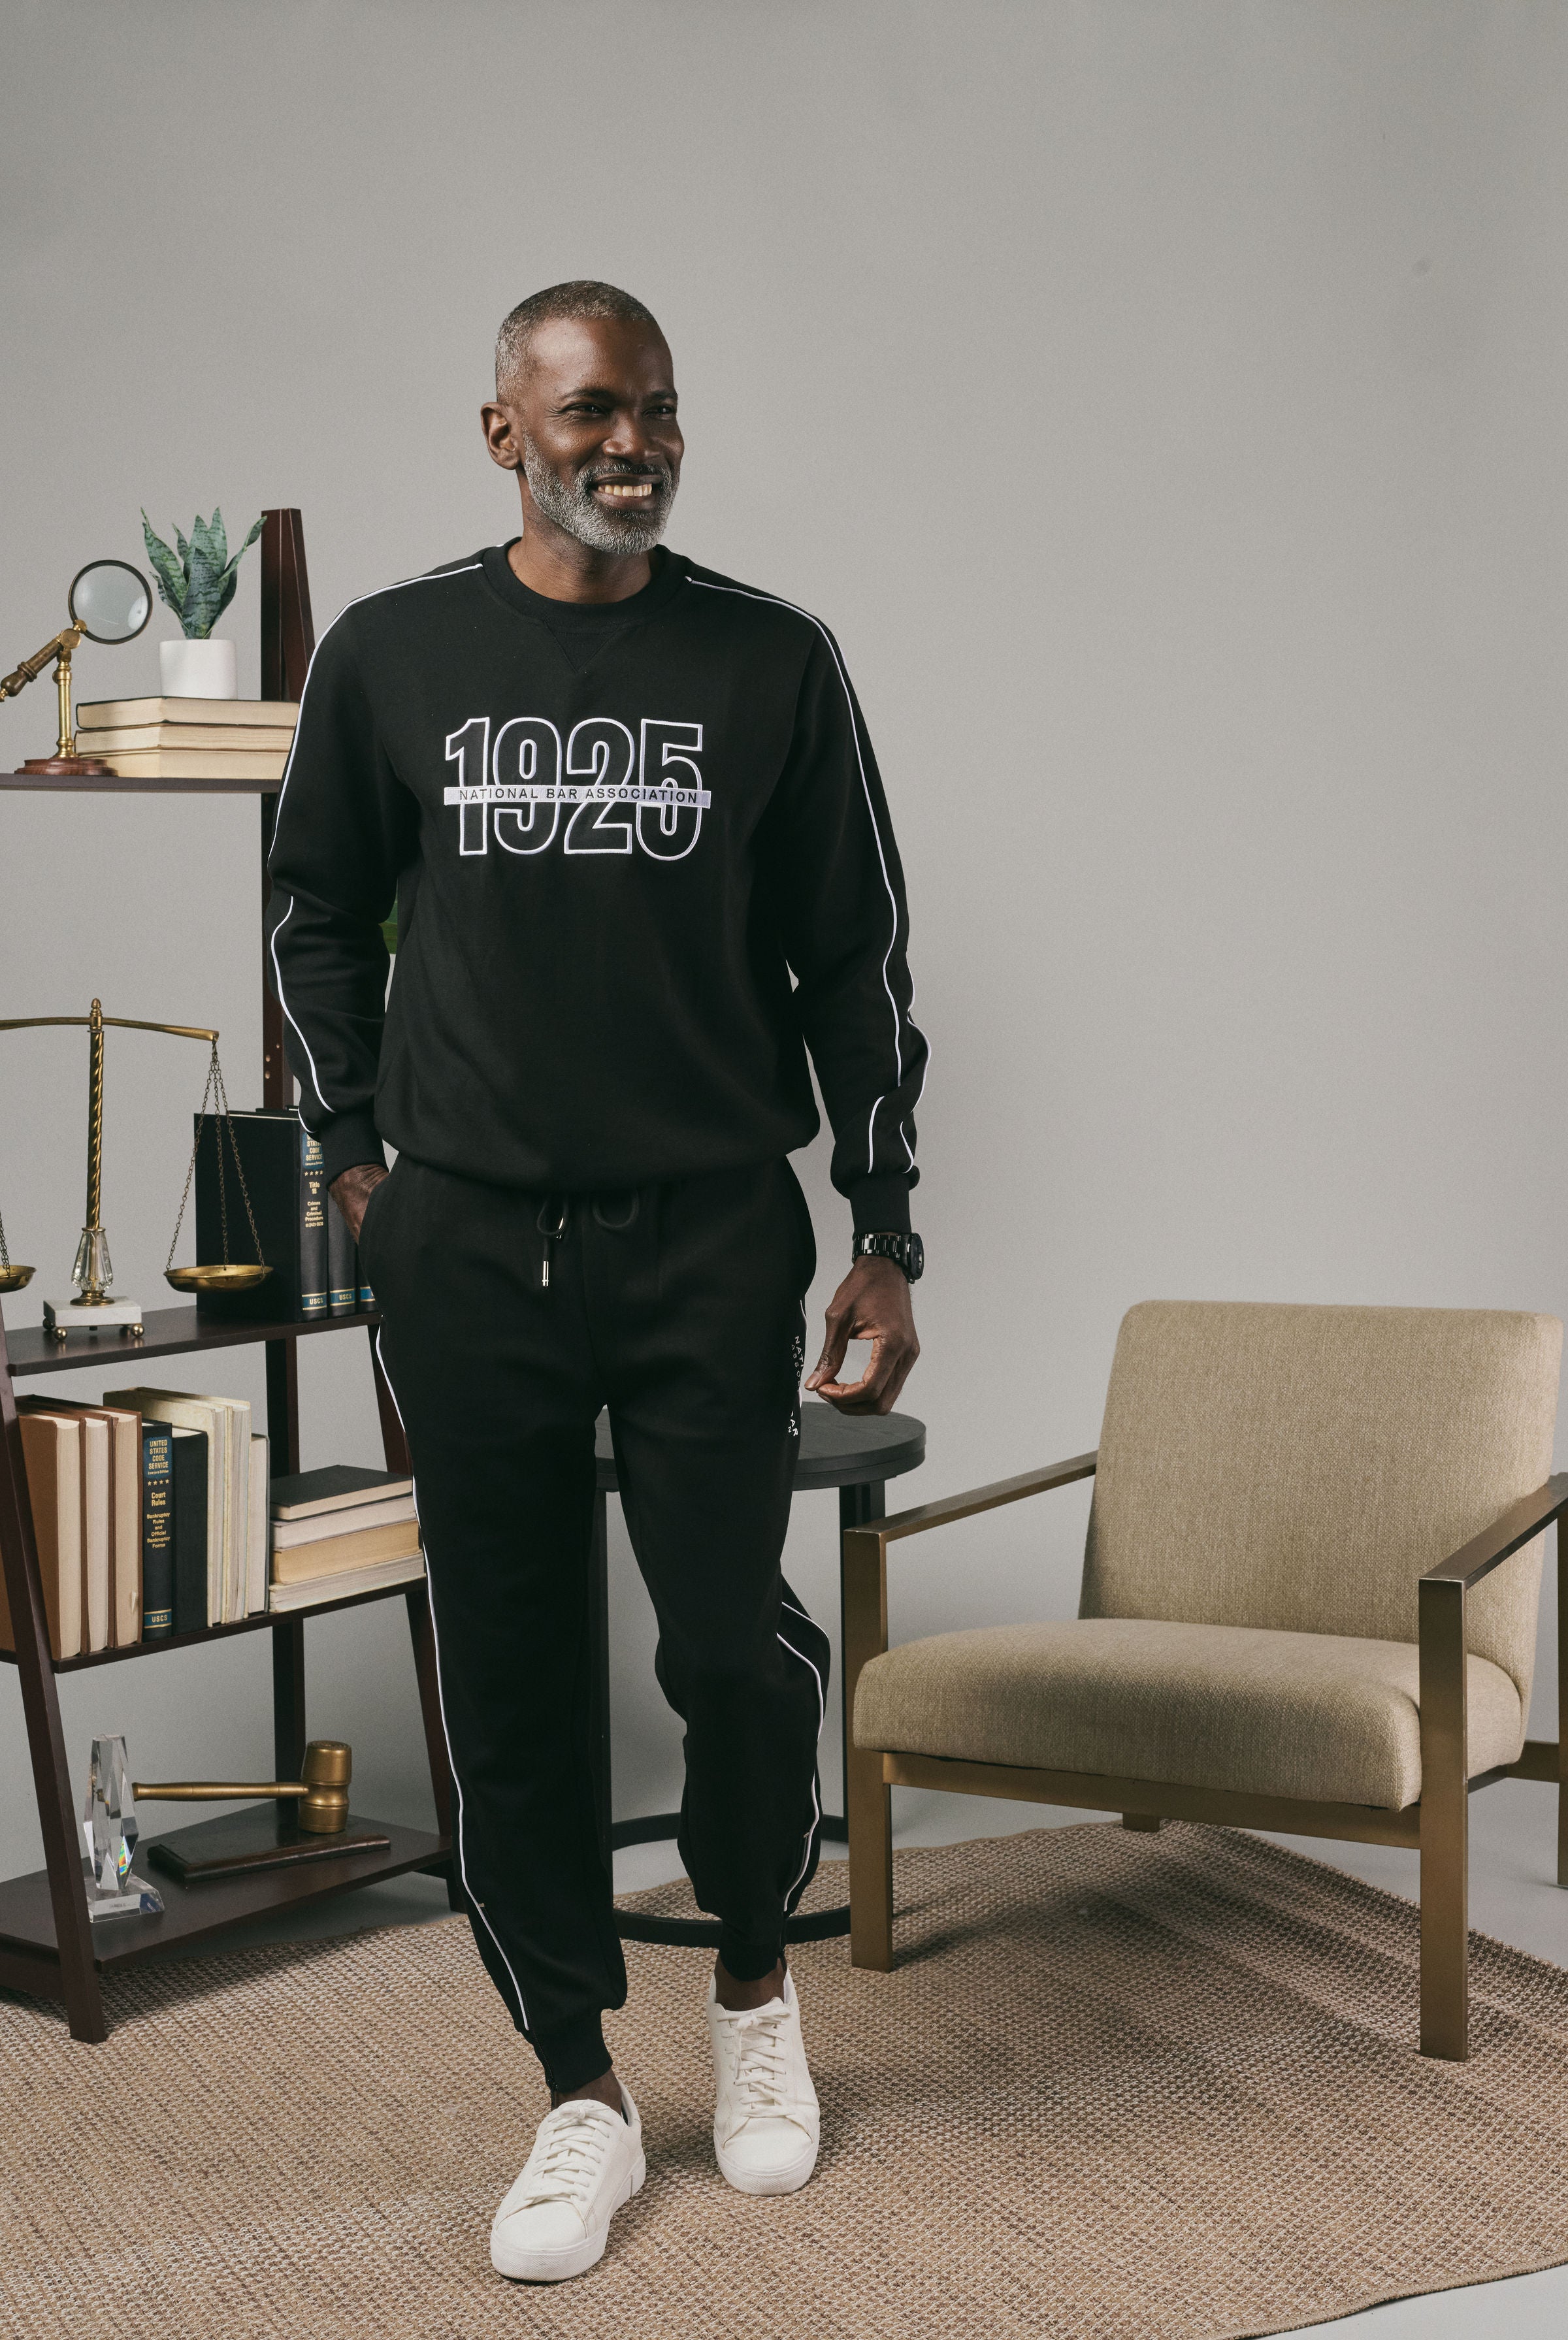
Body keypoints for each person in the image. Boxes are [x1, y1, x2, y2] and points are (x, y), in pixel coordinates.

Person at [266, 280, 926, 2283]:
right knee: (514, 1683)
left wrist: (887, 1229)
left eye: (653, 412)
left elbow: (854, 962)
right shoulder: (392, 656)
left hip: (709, 1233)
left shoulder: (769, 663)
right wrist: (363, 1168)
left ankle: (749, 1990)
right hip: (466, 1250)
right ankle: (571, 2083)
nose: (627, 443)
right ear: (504, 434)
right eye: (585, 415)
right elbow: (316, 925)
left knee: (728, 1650)